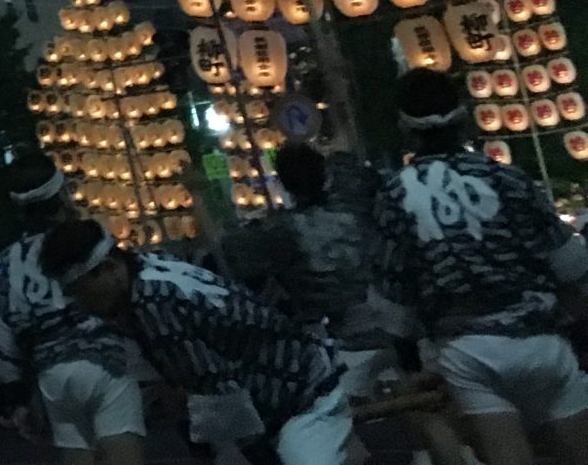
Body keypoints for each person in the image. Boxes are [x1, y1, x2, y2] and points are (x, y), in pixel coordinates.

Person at [369, 67, 588, 465]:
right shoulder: (506, 177)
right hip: (543, 337)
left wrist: (410, 367)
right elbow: (570, 264)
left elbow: (395, 295)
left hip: (468, 351)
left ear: (405, 128)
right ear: (464, 116)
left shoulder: (394, 194)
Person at [44, 216, 349, 465]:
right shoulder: (149, 272)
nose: (81, 302)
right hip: (279, 399)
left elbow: (217, 388)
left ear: (109, 268)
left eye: (81, 290)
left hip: (305, 398)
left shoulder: (152, 302)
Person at [0, 153, 143, 465]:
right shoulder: (88, 238)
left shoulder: (11, 259)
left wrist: (14, 396)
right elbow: (129, 292)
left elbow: (0, 330)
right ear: (62, 193)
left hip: (52, 373)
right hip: (104, 359)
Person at [225, 144, 391, 402]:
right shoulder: (358, 209)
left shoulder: (281, 232)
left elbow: (234, 258)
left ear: (283, 183)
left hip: (348, 339)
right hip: (396, 322)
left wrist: (200, 199)